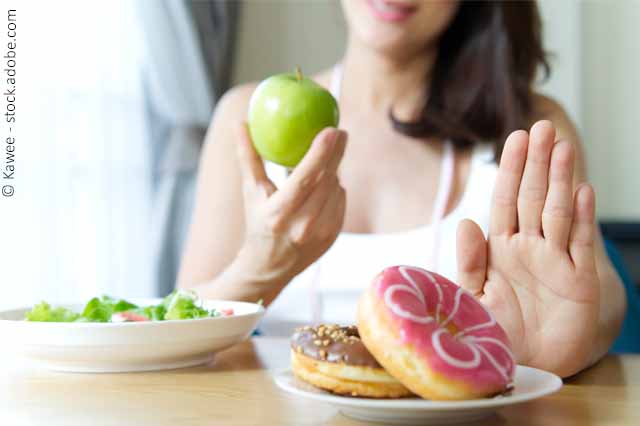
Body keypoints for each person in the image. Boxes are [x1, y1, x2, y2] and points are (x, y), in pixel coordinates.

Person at [177, 0, 626, 378]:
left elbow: (597, 297)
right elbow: (178, 328)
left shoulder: (526, 127)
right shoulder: (245, 114)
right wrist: (259, 269)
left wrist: (559, 348)